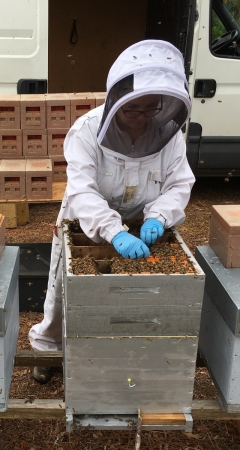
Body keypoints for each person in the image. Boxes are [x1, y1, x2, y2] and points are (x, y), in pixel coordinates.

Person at [28, 40, 195, 383]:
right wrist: (113, 231)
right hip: (86, 219)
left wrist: (159, 216)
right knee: (62, 292)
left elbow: (180, 184)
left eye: (150, 109)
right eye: (132, 109)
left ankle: (112, 353)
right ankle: (47, 350)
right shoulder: (86, 131)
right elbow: (82, 190)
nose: (141, 118)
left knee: (131, 299)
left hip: (143, 223)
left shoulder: (170, 137)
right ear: (116, 100)